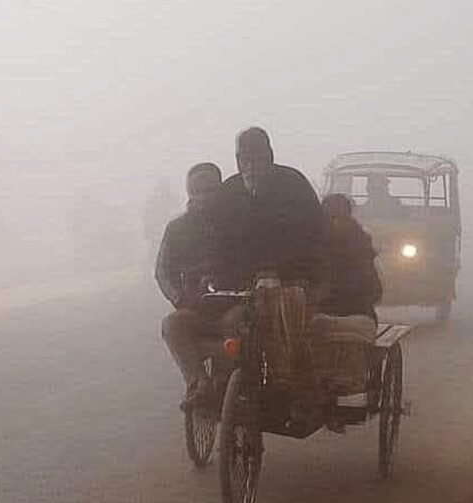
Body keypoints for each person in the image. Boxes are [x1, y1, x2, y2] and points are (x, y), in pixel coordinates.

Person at [157, 163, 231, 408]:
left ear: (220, 190)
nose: (204, 197)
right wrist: (179, 299)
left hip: (235, 306)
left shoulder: (236, 223)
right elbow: (162, 272)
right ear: (190, 193)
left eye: (210, 190)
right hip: (195, 308)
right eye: (198, 191)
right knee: (172, 324)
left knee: (242, 330)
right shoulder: (177, 229)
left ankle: (226, 383)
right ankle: (198, 384)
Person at [215, 127, 324, 287]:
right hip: (241, 285)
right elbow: (220, 244)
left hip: (294, 282)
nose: (252, 167)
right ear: (238, 161)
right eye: (246, 160)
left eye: (259, 159)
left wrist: (279, 272)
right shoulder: (228, 192)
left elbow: (314, 236)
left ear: (270, 157)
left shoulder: (295, 185)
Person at [317, 193, 382, 321]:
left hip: (339, 318)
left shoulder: (319, 242)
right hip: (363, 319)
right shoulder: (360, 238)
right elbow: (375, 292)